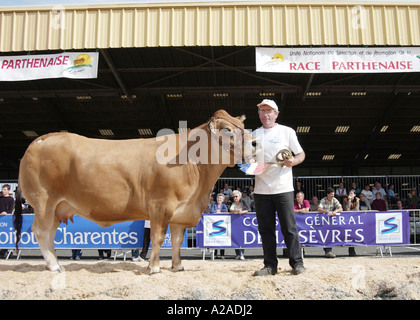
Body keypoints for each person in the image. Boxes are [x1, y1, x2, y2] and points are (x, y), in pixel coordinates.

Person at [251, 99, 306, 276]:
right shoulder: (253, 135)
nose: (265, 114)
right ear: (259, 114)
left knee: (289, 228)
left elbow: (300, 154)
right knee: (266, 230)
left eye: (269, 111)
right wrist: (252, 167)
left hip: (283, 188)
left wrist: (294, 161)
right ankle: (270, 266)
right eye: (262, 111)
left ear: (276, 114)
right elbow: (246, 161)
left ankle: (297, 264)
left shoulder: (286, 132)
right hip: (261, 191)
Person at [317, 188, 343, 258]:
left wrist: (335, 211)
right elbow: (319, 209)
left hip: (331, 222)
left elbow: (341, 208)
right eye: (331, 194)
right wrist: (327, 211)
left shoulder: (334, 200)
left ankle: (328, 251)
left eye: (333, 194)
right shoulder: (323, 200)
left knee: (331, 234)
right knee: (324, 235)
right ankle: (327, 251)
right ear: (327, 194)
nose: (332, 196)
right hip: (323, 221)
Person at [230, 190, 250, 260]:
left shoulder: (243, 202)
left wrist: (242, 212)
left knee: (241, 238)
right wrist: (237, 211)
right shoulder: (233, 204)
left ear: (240, 196)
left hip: (243, 223)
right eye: (233, 197)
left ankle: (242, 254)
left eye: (236, 196)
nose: (235, 198)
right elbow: (231, 210)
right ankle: (237, 254)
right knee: (235, 238)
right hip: (235, 223)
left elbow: (248, 210)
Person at [342, 189, 359, 256]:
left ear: (354, 195)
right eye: (349, 193)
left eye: (352, 193)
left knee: (353, 234)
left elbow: (357, 210)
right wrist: (349, 201)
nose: (350, 195)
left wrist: (351, 212)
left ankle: (352, 250)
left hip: (355, 219)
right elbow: (346, 209)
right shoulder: (345, 200)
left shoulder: (357, 200)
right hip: (347, 219)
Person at [0, 184, 14, 258]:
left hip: (7, 219)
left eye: (5, 189)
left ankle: (5, 251)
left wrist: (6, 213)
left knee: (7, 234)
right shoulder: (0, 198)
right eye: (2, 189)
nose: (3, 191)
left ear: (8, 190)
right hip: (0, 218)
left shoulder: (11, 199)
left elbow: (10, 209)